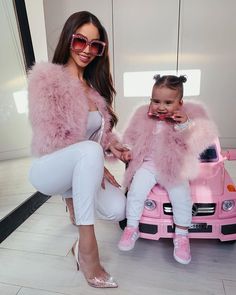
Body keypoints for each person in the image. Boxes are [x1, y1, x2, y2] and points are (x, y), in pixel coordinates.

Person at [27, 11, 128, 288]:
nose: (87, 50)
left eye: (95, 45)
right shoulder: (47, 80)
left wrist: (115, 148)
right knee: (88, 153)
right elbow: (51, 137)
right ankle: (87, 251)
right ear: (68, 39)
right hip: (49, 168)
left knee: (119, 209)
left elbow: (99, 135)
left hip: (85, 161)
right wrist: (96, 159)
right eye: (80, 41)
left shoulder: (95, 90)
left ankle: (75, 208)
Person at [118, 74, 218, 264]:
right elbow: (132, 137)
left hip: (173, 166)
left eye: (168, 102)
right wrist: (129, 151)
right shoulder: (143, 116)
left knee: (181, 196)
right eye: (156, 101)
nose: (161, 107)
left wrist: (185, 124)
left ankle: (181, 236)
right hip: (147, 164)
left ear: (179, 103)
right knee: (135, 191)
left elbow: (193, 142)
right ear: (150, 100)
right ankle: (131, 227)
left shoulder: (183, 120)